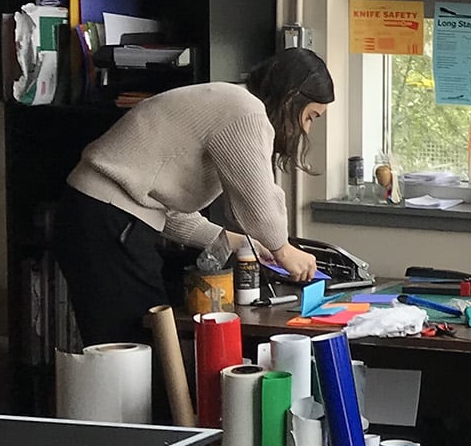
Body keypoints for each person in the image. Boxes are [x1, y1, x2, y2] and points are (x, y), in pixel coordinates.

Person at [52, 49, 335, 346]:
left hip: (93, 216)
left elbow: (165, 210)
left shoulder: (231, 102)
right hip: (108, 222)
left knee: (127, 347)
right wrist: (284, 250)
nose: (305, 128)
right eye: (310, 116)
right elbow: (258, 204)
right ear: (291, 98)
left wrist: (230, 240)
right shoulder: (245, 109)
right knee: (139, 348)